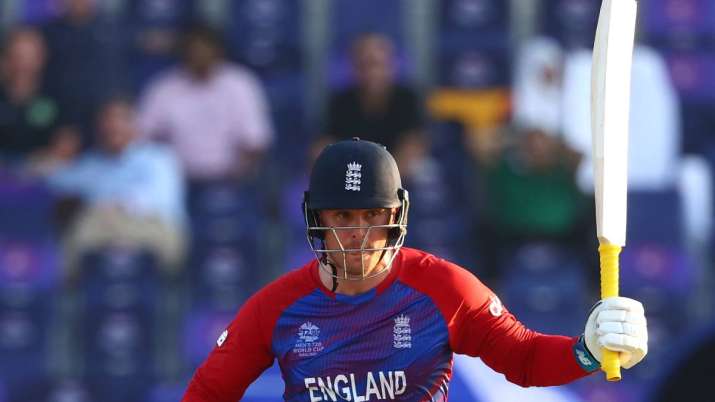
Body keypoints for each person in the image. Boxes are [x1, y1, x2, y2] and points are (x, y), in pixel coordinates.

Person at [182, 138, 648, 401]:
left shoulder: (444, 288)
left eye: (372, 215)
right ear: (316, 220)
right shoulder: (278, 307)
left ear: (396, 217)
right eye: (342, 217)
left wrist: (586, 351)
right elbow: (208, 392)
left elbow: (522, 359)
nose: (359, 234)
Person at [45, 97, 187, 279]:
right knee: (74, 238)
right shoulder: (91, 162)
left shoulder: (159, 158)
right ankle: (69, 301)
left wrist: (120, 207)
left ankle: (169, 300)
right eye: (107, 121)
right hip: (102, 224)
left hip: (148, 223)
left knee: (169, 240)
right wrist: (54, 158)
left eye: (119, 120)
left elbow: (162, 200)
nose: (113, 127)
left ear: (134, 124)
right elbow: (56, 179)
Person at [138, 23, 273, 183]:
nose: (199, 54)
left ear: (218, 51)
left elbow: (256, 141)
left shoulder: (240, 84)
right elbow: (142, 138)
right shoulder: (163, 88)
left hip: (231, 179)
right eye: (193, 49)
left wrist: (239, 175)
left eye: (205, 48)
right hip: (178, 181)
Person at [319, 33, 427, 178]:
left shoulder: (407, 98)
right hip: (352, 175)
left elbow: (413, 145)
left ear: (390, 66)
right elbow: (325, 145)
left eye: (377, 64)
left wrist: (382, 182)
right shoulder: (341, 100)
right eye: (364, 64)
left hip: (395, 176)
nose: (372, 72)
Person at [0, 27, 78, 164]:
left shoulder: (58, 95)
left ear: (42, 57)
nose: (23, 64)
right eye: (17, 56)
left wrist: (41, 162)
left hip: (42, 174)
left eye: (29, 56)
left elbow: (68, 143)